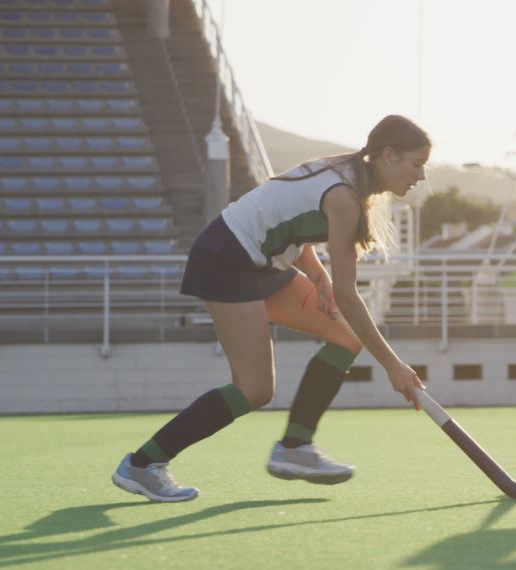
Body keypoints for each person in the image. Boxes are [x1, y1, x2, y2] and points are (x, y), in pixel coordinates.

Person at [112, 115, 430, 502]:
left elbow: (292, 220)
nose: (422, 176)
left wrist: (318, 277)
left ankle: (294, 448)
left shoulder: (344, 174)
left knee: (345, 338)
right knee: (255, 389)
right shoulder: (344, 195)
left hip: (263, 263)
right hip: (226, 259)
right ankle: (143, 464)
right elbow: (349, 297)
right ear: (388, 156)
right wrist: (393, 365)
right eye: (417, 163)